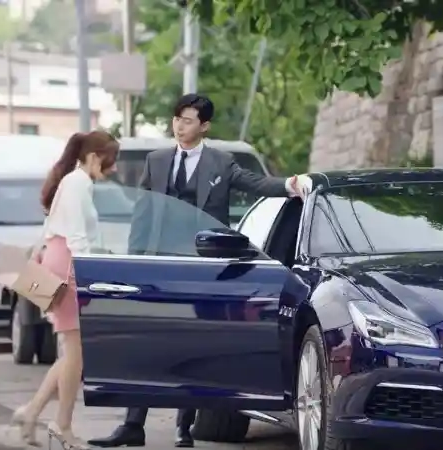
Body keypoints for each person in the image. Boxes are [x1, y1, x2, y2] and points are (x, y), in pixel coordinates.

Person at [87, 93, 312, 448]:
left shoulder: (220, 163)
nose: (179, 126)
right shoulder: (157, 160)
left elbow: (256, 183)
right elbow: (143, 214)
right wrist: (135, 263)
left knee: (191, 346)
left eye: (188, 120)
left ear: (204, 126)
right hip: (160, 265)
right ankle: (132, 425)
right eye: (177, 119)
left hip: (200, 267)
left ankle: (183, 428)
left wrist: (290, 185)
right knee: (146, 344)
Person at [10, 131, 120, 449]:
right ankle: (62, 426)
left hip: (62, 262)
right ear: (94, 157)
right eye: (111, 161)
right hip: (69, 266)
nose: (113, 169)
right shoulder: (77, 183)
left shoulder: (74, 182)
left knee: (74, 352)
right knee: (76, 355)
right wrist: (87, 273)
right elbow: (76, 237)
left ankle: (31, 412)